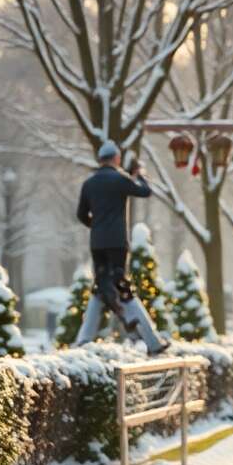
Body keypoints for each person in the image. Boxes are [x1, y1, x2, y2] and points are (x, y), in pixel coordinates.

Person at [74, 139, 169, 355]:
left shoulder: (89, 184)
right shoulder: (120, 179)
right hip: (117, 243)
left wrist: (96, 226)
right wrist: (140, 173)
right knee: (123, 287)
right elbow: (145, 191)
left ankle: (83, 341)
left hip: (97, 243)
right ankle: (151, 340)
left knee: (101, 288)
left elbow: (81, 214)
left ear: (100, 159)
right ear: (116, 158)